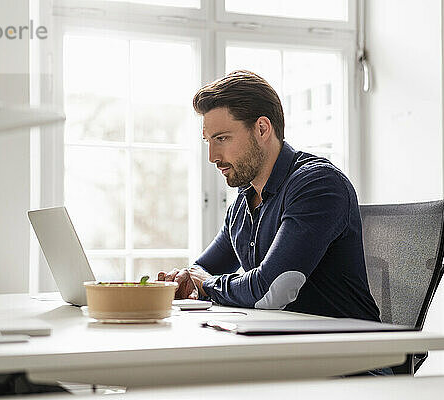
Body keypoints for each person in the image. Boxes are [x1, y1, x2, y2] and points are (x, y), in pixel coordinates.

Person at [158, 70, 380, 322]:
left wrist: (207, 285)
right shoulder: (243, 204)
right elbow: (203, 268)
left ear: (262, 129)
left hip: (351, 351)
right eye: (208, 141)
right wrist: (186, 280)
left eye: (222, 139)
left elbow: (272, 290)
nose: (212, 156)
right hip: (283, 345)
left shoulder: (317, 184)